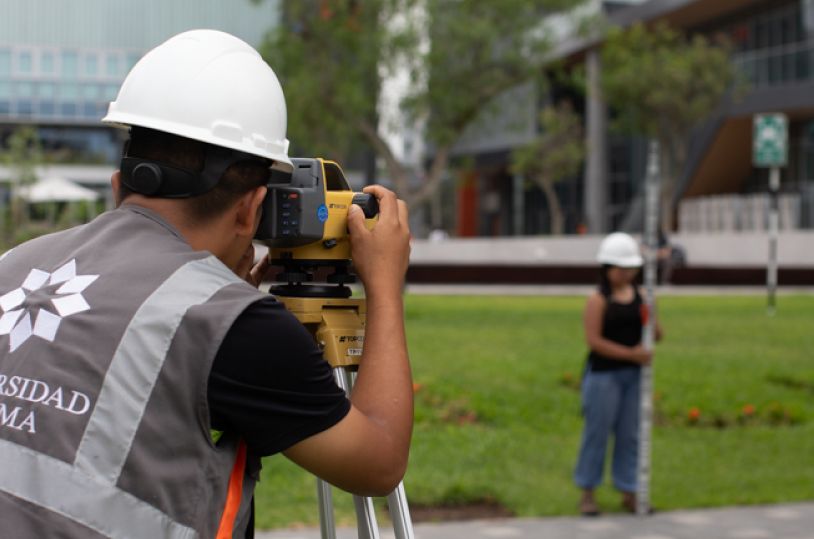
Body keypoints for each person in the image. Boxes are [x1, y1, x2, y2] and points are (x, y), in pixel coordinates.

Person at [0, 30, 412, 539]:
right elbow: (378, 462)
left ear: (119, 185)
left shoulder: (14, 266)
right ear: (250, 209)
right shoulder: (229, 325)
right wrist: (385, 287)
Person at [574, 232, 663, 516]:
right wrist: (631, 355)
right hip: (603, 377)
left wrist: (651, 314)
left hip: (633, 377)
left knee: (631, 435)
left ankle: (629, 490)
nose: (625, 275)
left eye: (630, 269)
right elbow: (595, 342)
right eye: (620, 269)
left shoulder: (642, 296)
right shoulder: (597, 300)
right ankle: (588, 492)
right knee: (597, 433)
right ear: (606, 268)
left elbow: (656, 334)